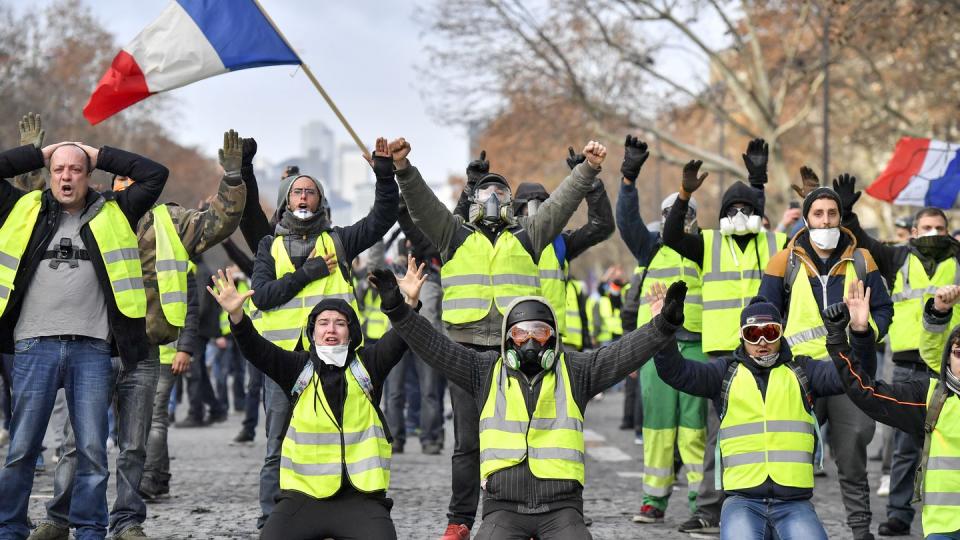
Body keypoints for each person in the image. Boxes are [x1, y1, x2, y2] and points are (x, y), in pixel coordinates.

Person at [25, 129, 247, 540]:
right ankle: (59, 518)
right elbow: (35, 214)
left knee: (133, 445)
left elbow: (218, 222)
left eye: (134, 179)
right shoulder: (90, 216)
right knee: (76, 444)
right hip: (90, 346)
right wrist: (34, 169)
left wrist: (232, 178)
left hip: (143, 351)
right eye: (121, 180)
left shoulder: (169, 221)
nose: (129, 185)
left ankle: (128, 520)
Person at [370, 254, 689, 539]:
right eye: (521, 334)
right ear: (508, 338)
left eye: (540, 333)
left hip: (562, 512)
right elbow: (435, 347)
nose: (531, 343)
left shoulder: (576, 371)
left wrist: (663, 325)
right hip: (502, 512)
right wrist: (399, 310)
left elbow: (623, 354)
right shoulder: (484, 370)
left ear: (554, 337)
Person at [390, 137, 604, 539]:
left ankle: (535, 511)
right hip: (466, 351)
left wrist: (587, 170)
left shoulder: (528, 235)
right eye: (485, 191)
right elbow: (422, 204)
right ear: (472, 198)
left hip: (520, 351)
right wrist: (403, 168)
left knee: (534, 432)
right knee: (467, 441)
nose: (493, 197)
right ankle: (459, 520)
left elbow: (560, 204)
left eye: (501, 191)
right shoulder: (453, 234)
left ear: (511, 201)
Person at [0, 134, 168, 539]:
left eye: (76, 169)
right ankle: (8, 529)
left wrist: (98, 153)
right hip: (33, 346)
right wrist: (40, 153)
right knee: (22, 448)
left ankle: (90, 529)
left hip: (92, 349)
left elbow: (154, 174)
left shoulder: (116, 210)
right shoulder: (24, 208)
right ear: (48, 175)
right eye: (58, 169)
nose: (66, 176)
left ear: (90, 175)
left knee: (93, 449)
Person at [208, 257, 426, 540]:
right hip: (302, 500)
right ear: (312, 332)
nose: (331, 330)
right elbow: (256, 349)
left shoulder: (368, 365)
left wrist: (408, 303)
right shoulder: (298, 368)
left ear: (351, 332)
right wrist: (237, 317)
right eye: (323, 323)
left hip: (360, 501)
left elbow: (401, 337)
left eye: (339, 324)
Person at [249, 136, 398, 529]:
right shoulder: (269, 245)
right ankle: (273, 518)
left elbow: (382, 218)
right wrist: (309, 274)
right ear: (285, 201)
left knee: (343, 436)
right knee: (277, 443)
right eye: (297, 191)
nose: (303, 197)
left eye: (310, 192)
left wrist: (384, 175)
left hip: (339, 363)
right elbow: (263, 296)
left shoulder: (340, 241)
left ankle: (345, 509)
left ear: (320, 202)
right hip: (287, 363)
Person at [652, 289, 865, 540]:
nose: (762, 341)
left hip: (794, 504)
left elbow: (855, 378)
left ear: (781, 332)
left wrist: (860, 333)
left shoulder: (803, 370)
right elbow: (675, 372)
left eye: (770, 331)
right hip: (742, 503)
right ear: (742, 337)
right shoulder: (724, 374)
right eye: (753, 334)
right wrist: (663, 329)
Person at [660, 139, 787, 536]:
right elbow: (671, 237)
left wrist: (758, 183)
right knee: (719, 435)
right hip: (726, 357)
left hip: (769, 351)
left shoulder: (774, 244)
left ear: (758, 216)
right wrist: (683, 197)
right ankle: (711, 509)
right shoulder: (709, 243)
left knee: (772, 429)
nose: (738, 215)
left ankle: (775, 503)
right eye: (731, 210)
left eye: (745, 210)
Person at [757, 183, 893, 540]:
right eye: (818, 213)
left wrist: (866, 328)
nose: (826, 219)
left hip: (851, 371)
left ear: (840, 216)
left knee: (852, 456)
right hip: (800, 374)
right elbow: (764, 312)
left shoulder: (863, 260)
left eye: (832, 213)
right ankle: (782, 525)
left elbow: (884, 309)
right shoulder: (782, 261)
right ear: (806, 218)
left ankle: (861, 530)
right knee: (791, 454)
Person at [835, 174, 960, 537]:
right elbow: (863, 242)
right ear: (914, 230)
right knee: (905, 445)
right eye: (926, 226)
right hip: (907, 362)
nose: (931, 232)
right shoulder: (897, 257)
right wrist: (847, 212)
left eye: (938, 226)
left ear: (948, 229)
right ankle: (899, 513)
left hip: (951, 364)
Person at [617, 134, 707, 523]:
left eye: (684, 214)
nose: (679, 220)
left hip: (698, 348)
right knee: (657, 429)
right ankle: (654, 501)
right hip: (655, 350)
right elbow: (627, 221)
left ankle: (700, 506)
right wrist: (628, 179)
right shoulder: (649, 247)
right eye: (672, 214)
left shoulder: (707, 248)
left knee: (694, 432)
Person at [830, 282, 960, 540]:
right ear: (948, 358)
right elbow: (869, 393)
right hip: (944, 528)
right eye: (959, 352)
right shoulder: (932, 397)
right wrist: (842, 338)